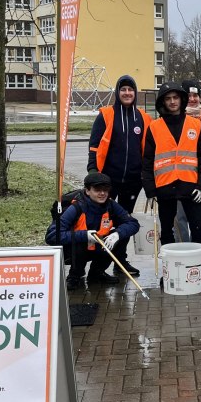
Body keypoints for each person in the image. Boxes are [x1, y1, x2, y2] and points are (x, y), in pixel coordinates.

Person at [141, 82, 201, 284]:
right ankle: (170, 272)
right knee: (167, 232)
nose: (172, 102)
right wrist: (150, 189)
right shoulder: (154, 128)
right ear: (163, 102)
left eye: (176, 98)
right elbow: (147, 161)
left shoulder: (196, 125)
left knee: (198, 228)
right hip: (165, 187)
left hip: (191, 187)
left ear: (181, 100)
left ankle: (199, 269)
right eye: (168, 98)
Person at [87, 74, 151, 273]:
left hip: (133, 181)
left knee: (125, 222)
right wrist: (92, 171)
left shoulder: (143, 117)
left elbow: (149, 150)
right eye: (123, 89)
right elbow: (94, 146)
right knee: (103, 222)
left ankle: (120, 261)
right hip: (108, 180)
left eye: (130, 89)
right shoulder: (105, 115)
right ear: (117, 92)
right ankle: (98, 264)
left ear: (135, 93)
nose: (127, 93)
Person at [56, 172, 140, 290]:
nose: (102, 193)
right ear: (87, 190)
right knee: (79, 242)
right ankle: (75, 276)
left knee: (123, 235)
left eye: (105, 190)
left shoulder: (111, 205)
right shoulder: (75, 208)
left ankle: (97, 273)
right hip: (75, 250)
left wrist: (117, 234)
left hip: (98, 246)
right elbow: (52, 236)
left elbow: (133, 223)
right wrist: (84, 235)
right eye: (97, 190)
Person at [174, 79, 201, 242]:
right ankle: (182, 253)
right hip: (180, 177)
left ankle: (196, 259)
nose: (192, 99)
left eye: (195, 95)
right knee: (179, 219)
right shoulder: (175, 119)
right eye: (188, 95)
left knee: (198, 220)